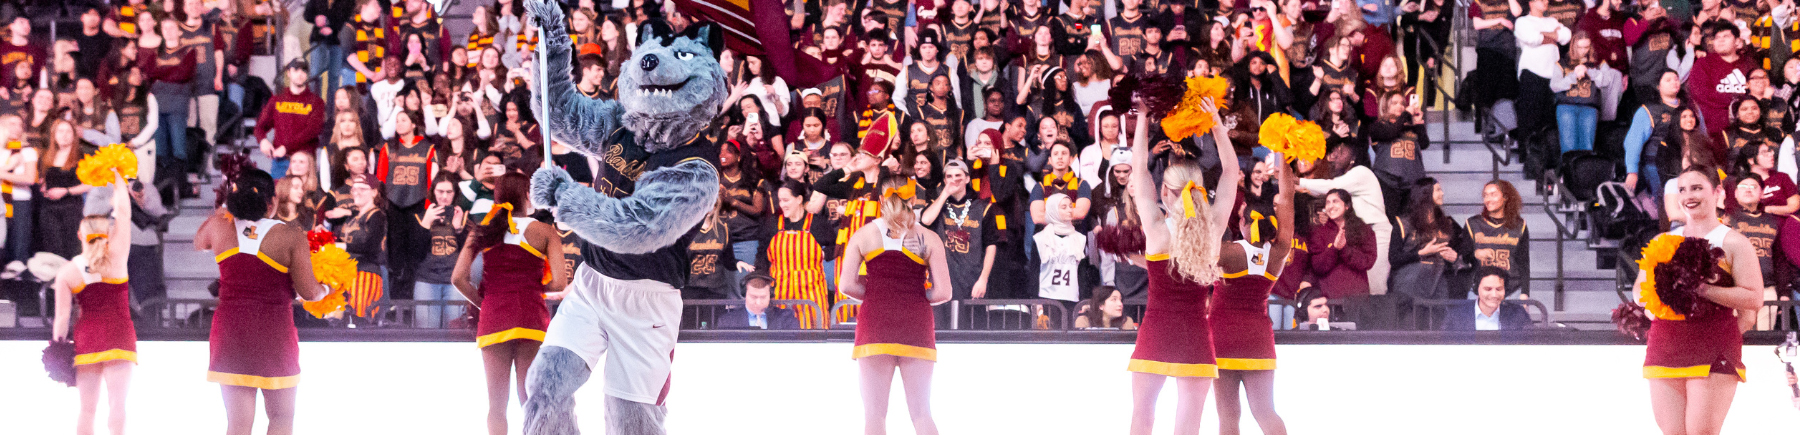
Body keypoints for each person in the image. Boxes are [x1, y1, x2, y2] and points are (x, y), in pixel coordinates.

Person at [1125, 97, 1240, 435]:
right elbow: (1232, 171)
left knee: (1143, 418)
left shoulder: (1157, 231)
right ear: (1202, 191)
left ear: (1166, 191)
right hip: (1195, 337)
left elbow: (1138, 169)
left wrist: (1144, 117)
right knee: (1188, 425)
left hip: (1155, 331)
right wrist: (1216, 124)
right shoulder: (1214, 230)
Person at [193, 167, 328, 435]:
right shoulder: (290, 235)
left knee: (238, 425)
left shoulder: (220, 226)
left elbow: (199, 242)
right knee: (281, 419)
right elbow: (309, 292)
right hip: (273, 334)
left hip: (231, 333)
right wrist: (326, 289)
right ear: (273, 201)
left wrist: (224, 209)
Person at [1639, 167, 1766, 435]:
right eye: (1682, 190)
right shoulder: (1663, 241)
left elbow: (1754, 298)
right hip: (1665, 344)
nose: (1688, 195)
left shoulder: (1733, 242)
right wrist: (1653, 303)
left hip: (1714, 345)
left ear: (1717, 192)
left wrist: (1703, 290)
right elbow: (1641, 291)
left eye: (1697, 188)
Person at [452, 173, 568, 435]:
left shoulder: (483, 229)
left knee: (496, 406)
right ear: (527, 195)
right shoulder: (545, 231)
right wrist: (532, 290)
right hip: (531, 317)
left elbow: (458, 278)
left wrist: (486, 303)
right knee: (530, 401)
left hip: (494, 317)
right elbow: (560, 283)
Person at [837, 174, 953, 435]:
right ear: (914, 198)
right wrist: (914, 296)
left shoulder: (863, 235)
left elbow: (846, 286)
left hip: (875, 325)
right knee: (922, 414)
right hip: (916, 325)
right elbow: (944, 292)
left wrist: (878, 292)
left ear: (880, 200)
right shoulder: (929, 238)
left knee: (875, 417)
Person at [1211, 153, 1296, 435]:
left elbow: (1203, 237)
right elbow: (1287, 199)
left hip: (1222, 337)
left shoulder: (1229, 253)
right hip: (1258, 339)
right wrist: (1283, 156)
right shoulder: (1279, 251)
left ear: (1245, 224)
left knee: (1228, 416)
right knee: (1265, 412)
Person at [51, 172, 135, 435]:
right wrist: (119, 179)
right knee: (117, 406)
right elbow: (124, 214)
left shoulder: (67, 271)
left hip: (87, 338)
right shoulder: (118, 254)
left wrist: (57, 348)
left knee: (87, 410)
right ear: (109, 233)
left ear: (79, 234)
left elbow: (62, 319)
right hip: (120, 336)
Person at [757, 179, 835, 329]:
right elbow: (761, 256)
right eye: (780, 200)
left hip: (812, 296)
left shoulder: (817, 223)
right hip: (780, 296)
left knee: (813, 340)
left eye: (786, 200)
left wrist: (823, 254)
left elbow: (835, 247)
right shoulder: (772, 224)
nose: (782, 204)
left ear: (799, 199)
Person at [1466, 180, 1532, 299]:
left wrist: (1525, 293)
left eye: (1493, 194)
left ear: (1505, 197)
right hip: (1480, 291)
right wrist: (1475, 253)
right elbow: (1462, 256)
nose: (1488, 199)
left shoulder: (1520, 225)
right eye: (1485, 195)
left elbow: (1524, 263)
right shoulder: (1473, 224)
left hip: (1511, 290)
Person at [1443, 267, 1532, 330]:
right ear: (1476, 289)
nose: (1494, 294)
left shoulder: (1518, 314)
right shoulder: (1457, 316)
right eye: (1488, 289)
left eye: (1499, 289)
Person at [717, 272, 803, 330]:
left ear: (771, 295)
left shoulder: (787, 319)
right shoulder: (727, 322)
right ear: (744, 294)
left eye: (763, 297)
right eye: (753, 297)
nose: (758, 303)